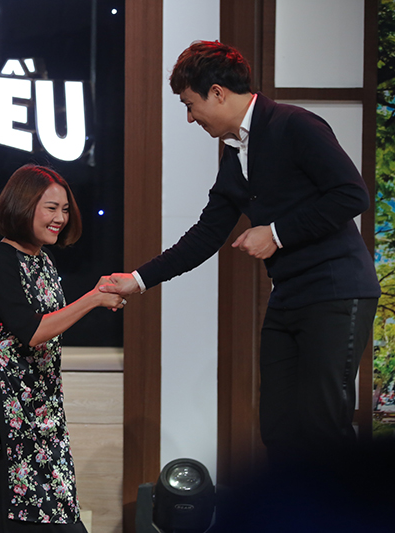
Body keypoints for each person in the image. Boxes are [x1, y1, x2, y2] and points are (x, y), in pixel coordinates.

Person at [100, 41, 381, 468]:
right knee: (279, 429)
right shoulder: (236, 153)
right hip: (288, 296)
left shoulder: (294, 124)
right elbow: (205, 234)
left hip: (337, 292)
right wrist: (137, 281)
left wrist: (277, 234)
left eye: (190, 105)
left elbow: (352, 194)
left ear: (217, 93)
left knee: (323, 427)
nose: (190, 117)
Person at [0, 164, 125, 532]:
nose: (60, 218)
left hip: (43, 414)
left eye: (65, 209)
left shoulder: (43, 260)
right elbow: (32, 331)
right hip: (3, 419)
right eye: (51, 208)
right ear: (23, 206)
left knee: (59, 516)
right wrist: (94, 298)